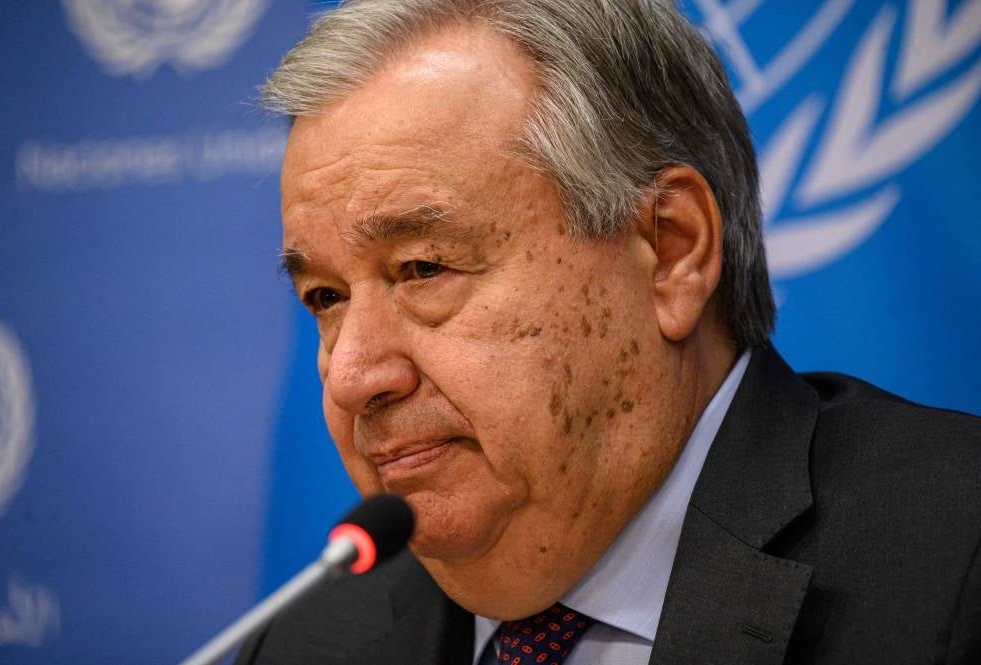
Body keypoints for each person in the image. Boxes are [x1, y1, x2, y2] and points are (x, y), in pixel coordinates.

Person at [236, 1, 981, 663]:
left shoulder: (955, 564)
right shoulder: (308, 643)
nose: (352, 376)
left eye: (424, 267)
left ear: (670, 251)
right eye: (325, 296)